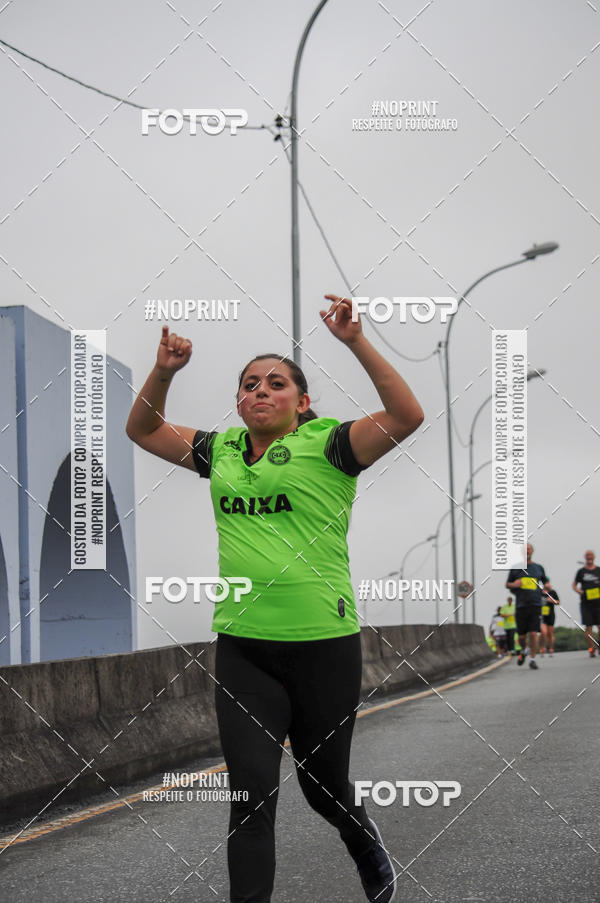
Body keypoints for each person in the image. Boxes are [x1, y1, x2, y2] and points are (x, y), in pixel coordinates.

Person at [126, 295, 424, 903]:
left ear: (302, 401)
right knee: (250, 798)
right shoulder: (223, 453)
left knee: (322, 787)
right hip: (245, 652)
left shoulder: (334, 447)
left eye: (276, 383)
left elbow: (407, 414)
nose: (259, 392)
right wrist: (164, 373)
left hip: (324, 648)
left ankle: (362, 837)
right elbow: (144, 429)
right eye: (248, 385)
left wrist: (354, 341)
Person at [506, 544, 551, 670]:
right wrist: (514, 584)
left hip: (535, 604)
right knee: (521, 636)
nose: (527, 551)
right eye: (524, 550)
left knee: (533, 633)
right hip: (521, 605)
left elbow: (545, 581)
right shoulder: (515, 568)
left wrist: (547, 586)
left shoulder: (538, 568)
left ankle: (532, 659)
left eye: (529, 549)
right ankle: (524, 650)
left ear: (532, 551)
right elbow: (507, 584)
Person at [573, 550, 600, 657]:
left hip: (598, 603)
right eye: (587, 555)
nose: (589, 557)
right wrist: (578, 590)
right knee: (588, 627)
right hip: (586, 604)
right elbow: (574, 585)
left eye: (591, 555)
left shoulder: (598, 570)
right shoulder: (581, 571)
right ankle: (591, 648)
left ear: (594, 557)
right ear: (585, 557)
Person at [539, 588, 559, 656]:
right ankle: (543, 647)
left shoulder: (552, 592)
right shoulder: (538, 592)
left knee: (550, 633)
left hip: (550, 615)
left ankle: (550, 648)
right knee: (543, 632)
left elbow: (558, 602)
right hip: (541, 615)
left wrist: (552, 600)